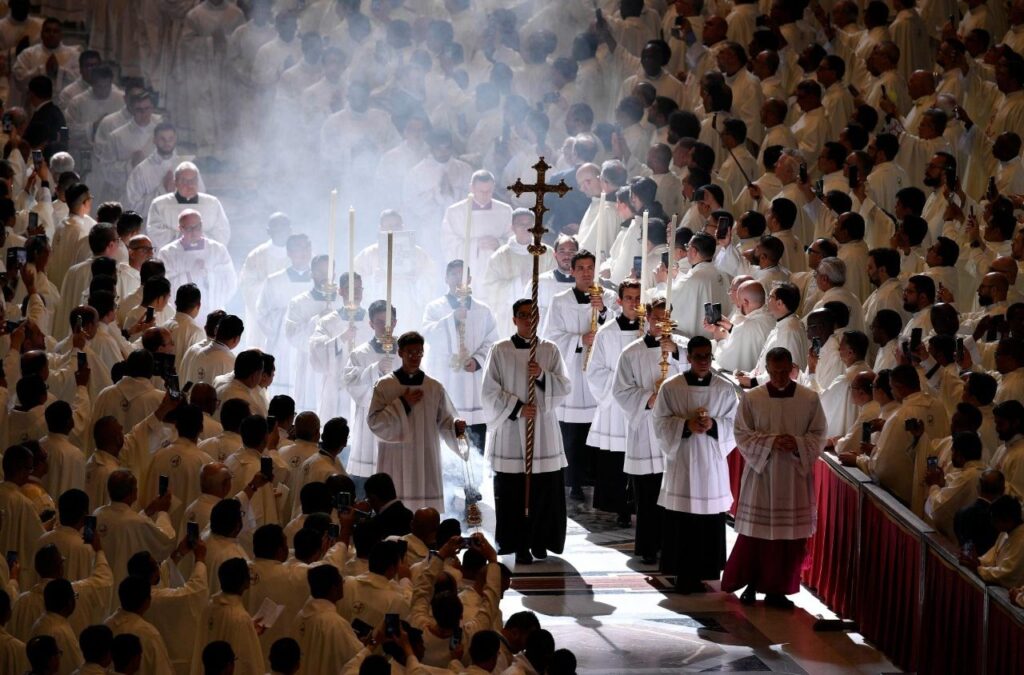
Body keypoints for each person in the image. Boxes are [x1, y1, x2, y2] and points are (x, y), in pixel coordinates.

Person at [722, 347, 827, 608]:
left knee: (787, 539)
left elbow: (818, 434)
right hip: (763, 475)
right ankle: (751, 584)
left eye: (784, 372)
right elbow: (741, 433)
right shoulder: (753, 398)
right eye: (774, 372)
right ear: (767, 370)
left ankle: (777, 590)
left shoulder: (809, 398)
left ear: (792, 369)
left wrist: (797, 444)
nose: (779, 377)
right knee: (756, 535)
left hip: (793, 477)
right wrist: (771, 443)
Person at [481, 298, 570, 564]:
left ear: (539, 318)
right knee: (514, 492)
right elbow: (488, 392)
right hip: (511, 431)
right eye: (522, 315)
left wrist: (541, 375)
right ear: (514, 319)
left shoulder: (549, 350)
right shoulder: (500, 350)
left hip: (542, 431)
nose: (528, 321)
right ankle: (518, 543)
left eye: (533, 315)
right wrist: (518, 408)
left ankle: (540, 540)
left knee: (543, 490)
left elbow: (564, 386)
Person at [652, 335, 737, 590]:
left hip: (711, 464)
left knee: (708, 520)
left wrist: (714, 425)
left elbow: (736, 424)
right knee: (683, 521)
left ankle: (705, 572)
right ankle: (683, 574)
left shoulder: (724, 388)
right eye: (698, 357)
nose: (703, 361)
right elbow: (659, 422)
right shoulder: (671, 387)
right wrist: (685, 425)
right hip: (684, 463)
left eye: (707, 356)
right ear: (688, 358)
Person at [542, 249, 617, 502]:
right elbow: (551, 337)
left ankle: (594, 479)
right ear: (572, 271)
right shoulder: (560, 301)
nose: (586, 273)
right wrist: (579, 340)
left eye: (590, 268)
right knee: (573, 432)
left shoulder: (607, 297)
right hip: (573, 371)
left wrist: (603, 311)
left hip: (599, 372)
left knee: (596, 428)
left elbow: (620, 328)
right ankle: (573, 481)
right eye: (581, 268)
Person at [367, 331, 465, 512]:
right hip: (395, 455)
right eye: (410, 352)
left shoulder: (433, 387)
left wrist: (456, 427)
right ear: (400, 353)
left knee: (425, 512)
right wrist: (403, 404)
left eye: (419, 352)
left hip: (425, 454)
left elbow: (445, 421)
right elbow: (374, 422)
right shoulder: (385, 385)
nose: (415, 357)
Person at [421, 259, 498, 455]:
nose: (458, 279)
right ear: (446, 278)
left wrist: (477, 361)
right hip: (447, 379)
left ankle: (476, 474)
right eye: (454, 274)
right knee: (447, 438)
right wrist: (452, 319)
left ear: (470, 279)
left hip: (473, 384)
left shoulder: (483, 310)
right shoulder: (435, 308)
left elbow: (492, 341)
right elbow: (428, 335)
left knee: (476, 442)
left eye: (462, 275)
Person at [586, 280, 644, 525]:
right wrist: (622, 383)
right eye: (629, 298)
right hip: (616, 408)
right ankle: (621, 508)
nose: (633, 303)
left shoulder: (649, 332)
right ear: (619, 301)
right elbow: (595, 372)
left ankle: (641, 505)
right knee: (618, 459)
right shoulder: (606, 332)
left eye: (638, 298)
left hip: (642, 402)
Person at [190, 558, 263, 675]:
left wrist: (250, 631)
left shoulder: (209, 607)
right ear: (245, 583)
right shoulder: (240, 617)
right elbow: (245, 664)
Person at [158, 209, 237, 314]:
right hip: (182, 314)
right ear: (180, 229)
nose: (194, 232)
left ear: (202, 225)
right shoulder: (167, 253)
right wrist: (190, 274)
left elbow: (230, 281)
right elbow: (163, 286)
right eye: (189, 228)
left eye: (197, 227)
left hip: (214, 311)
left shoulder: (218, 249)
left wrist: (208, 275)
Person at [294, 565, 364, 674]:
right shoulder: (334, 623)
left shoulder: (300, 616)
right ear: (334, 589)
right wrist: (372, 642)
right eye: (342, 582)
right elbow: (354, 658)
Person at [146, 162, 230, 249]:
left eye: (193, 180)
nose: (190, 185)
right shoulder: (159, 205)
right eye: (184, 181)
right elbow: (155, 233)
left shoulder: (212, 203)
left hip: (206, 254)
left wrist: (200, 242)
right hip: (173, 254)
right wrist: (186, 239)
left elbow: (222, 233)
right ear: (176, 182)